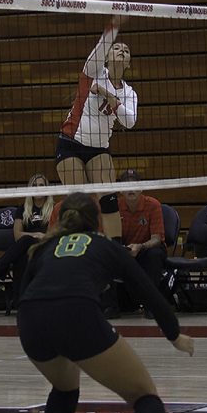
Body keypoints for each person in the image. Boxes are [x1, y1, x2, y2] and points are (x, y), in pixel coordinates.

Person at [16, 192, 197, 413]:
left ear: (60, 220)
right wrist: (174, 334)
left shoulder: (43, 248)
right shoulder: (105, 246)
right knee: (144, 397)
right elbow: (148, 292)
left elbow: (23, 291)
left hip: (30, 319)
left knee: (64, 389)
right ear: (97, 221)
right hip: (76, 313)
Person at [55, 14, 136, 243]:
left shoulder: (129, 93)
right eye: (117, 48)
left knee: (108, 200)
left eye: (127, 51)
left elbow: (130, 121)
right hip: (71, 143)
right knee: (78, 203)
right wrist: (114, 29)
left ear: (129, 63)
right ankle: (77, 247)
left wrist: (109, 95)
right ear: (107, 57)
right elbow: (99, 50)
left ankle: (115, 250)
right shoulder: (92, 72)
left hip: (99, 148)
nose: (122, 51)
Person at [0, 174, 53, 300]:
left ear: (47, 188)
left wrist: (38, 236)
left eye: (41, 185)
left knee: (25, 240)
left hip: (45, 248)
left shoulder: (53, 209)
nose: (38, 188)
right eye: (34, 185)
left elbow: (51, 235)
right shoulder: (23, 209)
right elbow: (17, 235)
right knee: (21, 255)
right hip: (26, 249)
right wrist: (36, 235)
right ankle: (21, 299)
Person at [116, 168, 168, 315]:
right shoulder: (115, 207)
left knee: (154, 254)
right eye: (126, 186)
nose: (131, 189)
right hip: (125, 250)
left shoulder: (153, 205)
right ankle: (110, 305)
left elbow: (157, 238)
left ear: (142, 188)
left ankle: (152, 305)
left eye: (134, 185)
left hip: (147, 249)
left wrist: (140, 247)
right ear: (120, 190)